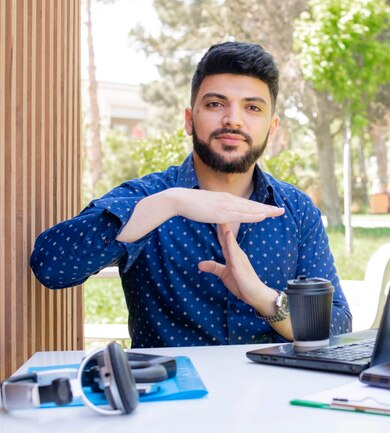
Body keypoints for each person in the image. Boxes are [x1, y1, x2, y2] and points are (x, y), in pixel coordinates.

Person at [30, 41, 352, 348]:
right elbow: (50, 265)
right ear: (189, 119)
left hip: (271, 400)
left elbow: (337, 325)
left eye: (252, 108)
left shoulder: (295, 210)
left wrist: (264, 299)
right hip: (166, 401)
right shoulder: (149, 197)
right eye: (215, 104)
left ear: (272, 127)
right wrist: (172, 203)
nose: (233, 119)